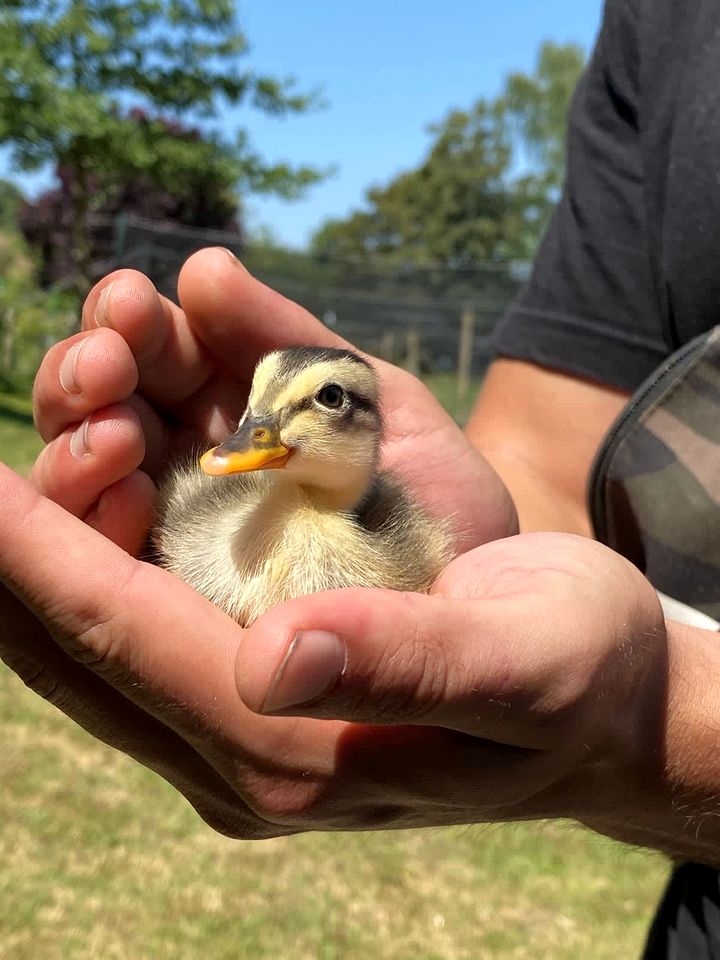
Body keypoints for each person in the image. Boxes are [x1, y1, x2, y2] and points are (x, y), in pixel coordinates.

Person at [2, 0, 720, 954]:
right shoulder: (660, 23)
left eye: (328, 404)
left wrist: (652, 724)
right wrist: (508, 551)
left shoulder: (379, 540)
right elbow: (549, 455)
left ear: (365, 428)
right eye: (267, 408)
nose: (267, 428)